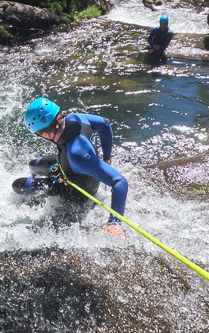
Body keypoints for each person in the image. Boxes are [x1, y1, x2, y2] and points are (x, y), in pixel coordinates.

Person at [13, 97, 128, 237]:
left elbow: (119, 182)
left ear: (45, 134)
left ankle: (39, 198)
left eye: (39, 135)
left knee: (19, 184)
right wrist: (107, 157)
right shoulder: (75, 118)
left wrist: (114, 223)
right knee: (34, 165)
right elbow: (106, 125)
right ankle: (48, 178)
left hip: (74, 189)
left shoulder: (77, 154)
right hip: (67, 166)